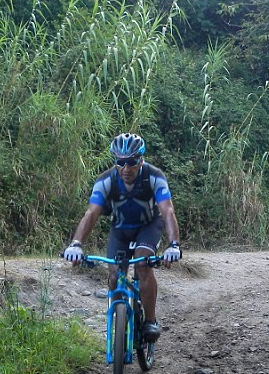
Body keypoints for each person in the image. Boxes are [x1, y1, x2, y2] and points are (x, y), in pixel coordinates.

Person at [63, 133, 181, 342]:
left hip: (149, 226)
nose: (126, 169)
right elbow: (91, 213)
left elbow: (167, 211)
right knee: (114, 275)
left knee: (143, 264)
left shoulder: (154, 176)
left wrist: (173, 245)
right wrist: (76, 244)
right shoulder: (106, 180)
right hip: (120, 229)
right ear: (115, 161)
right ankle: (120, 317)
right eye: (120, 162)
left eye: (132, 162)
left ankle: (150, 321)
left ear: (141, 160)